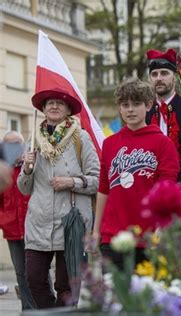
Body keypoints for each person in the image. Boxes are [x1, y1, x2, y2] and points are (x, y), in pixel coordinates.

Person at [18, 88, 99, 308]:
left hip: (70, 225)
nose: (54, 106)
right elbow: (24, 189)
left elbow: (97, 180)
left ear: (68, 111)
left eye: (60, 104)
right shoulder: (33, 140)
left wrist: (71, 182)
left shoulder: (80, 137)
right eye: (49, 103)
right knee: (34, 280)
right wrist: (27, 168)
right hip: (39, 223)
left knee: (67, 287)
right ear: (42, 109)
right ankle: (52, 313)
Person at [92, 78, 180, 269]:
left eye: (136, 104)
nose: (130, 109)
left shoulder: (163, 143)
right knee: (115, 295)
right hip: (113, 235)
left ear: (148, 105)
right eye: (125, 105)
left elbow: (167, 191)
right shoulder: (109, 144)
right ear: (120, 108)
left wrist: (161, 228)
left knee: (144, 297)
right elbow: (103, 189)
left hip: (148, 235)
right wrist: (96, 230)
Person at [146, 48, 181, 182]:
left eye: (164, 73)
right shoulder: (143, 111)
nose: (159, 78)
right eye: (154, 74)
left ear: (175, 77)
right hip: (149, 184)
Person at [0, 131, 35, 309]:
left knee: (37, 273)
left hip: (34, 229)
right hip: (12, 230)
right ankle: (27, 309)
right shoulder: (2, 170)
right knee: (21, 273)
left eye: (17, 144)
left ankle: (44, 308)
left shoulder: (31, 165)